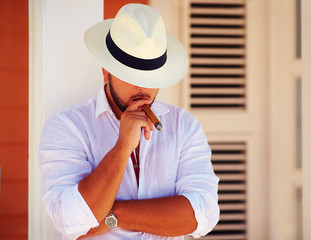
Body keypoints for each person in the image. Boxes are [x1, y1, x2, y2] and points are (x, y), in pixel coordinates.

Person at [39, 3, 219, 240]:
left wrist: (115, 214)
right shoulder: (67, 126)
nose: (142, 88)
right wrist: (122, 148)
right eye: (131, 75)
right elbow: (70, 220)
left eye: (151, 77)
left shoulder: (183, 126)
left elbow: (201, 215)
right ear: (106, 71)